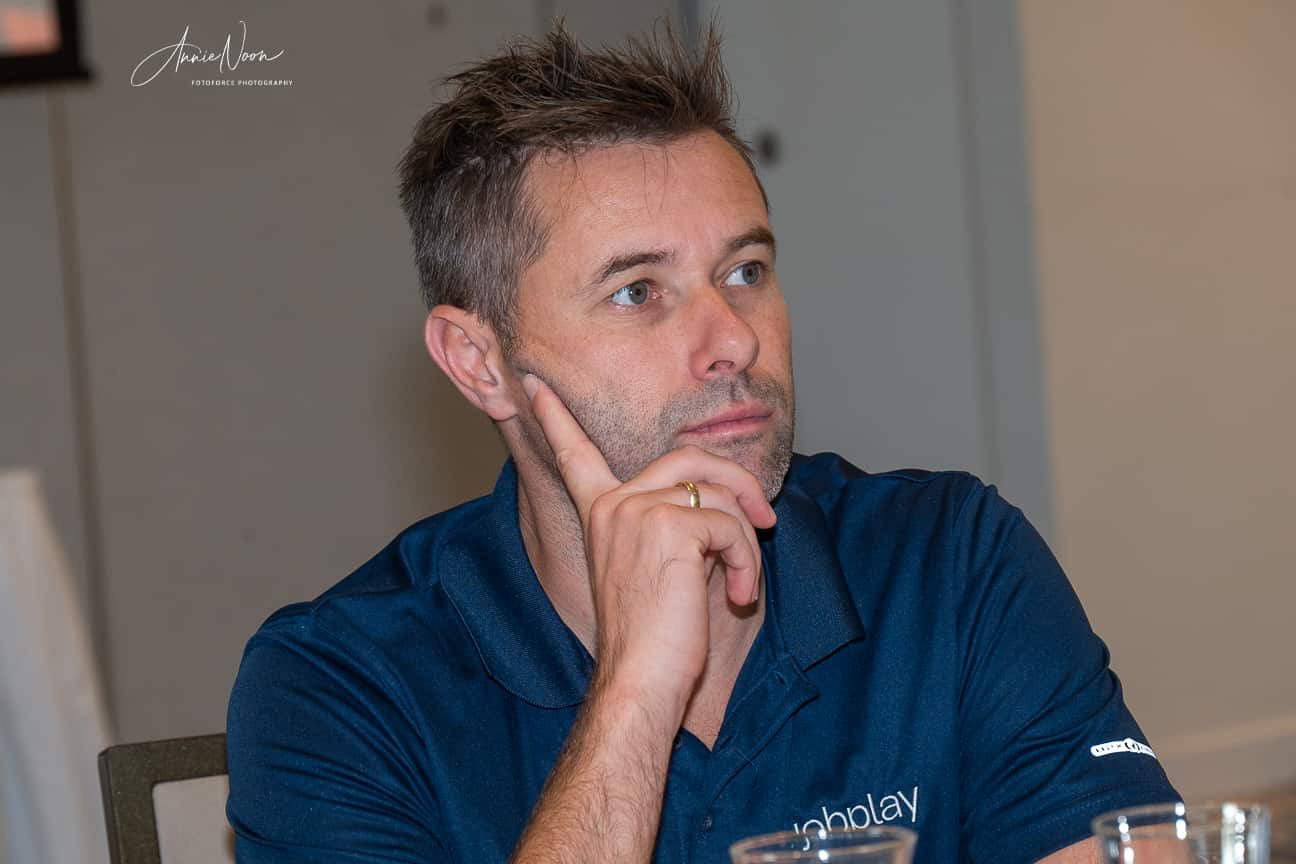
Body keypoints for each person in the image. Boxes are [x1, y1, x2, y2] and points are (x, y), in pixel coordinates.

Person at [226, 20, 1177, 864]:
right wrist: (634, 694)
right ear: (480, 363)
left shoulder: (950, 560)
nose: (732, 340)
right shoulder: (339, 685)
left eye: (745, 269)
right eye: (637, 292)